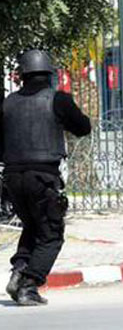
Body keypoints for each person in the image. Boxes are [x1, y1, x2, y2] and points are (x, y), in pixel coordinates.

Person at [2, 49, 91, 305]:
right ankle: (29, 284)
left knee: (32, 226)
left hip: (12, 177)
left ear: (21, 76)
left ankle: (18, 271)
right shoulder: (57, 100)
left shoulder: (7, 103)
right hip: (43, 177)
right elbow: (83, 127)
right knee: (52, 234)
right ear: (49, 74)